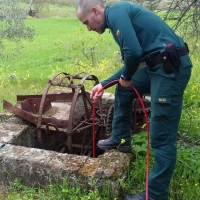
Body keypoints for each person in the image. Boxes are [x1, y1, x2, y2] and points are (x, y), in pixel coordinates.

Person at [76, 1, 192, 200]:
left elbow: (133, 53)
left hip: (170, 69)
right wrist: (103, 84)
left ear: (95, 10)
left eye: (87, 22)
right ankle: (121, 139)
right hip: (157, 66)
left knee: (161, 137)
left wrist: (127, 77)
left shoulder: (117, 13)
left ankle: (155, 195)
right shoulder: (116, 19)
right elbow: (132, 63)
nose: (88, 28)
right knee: (123, 88)